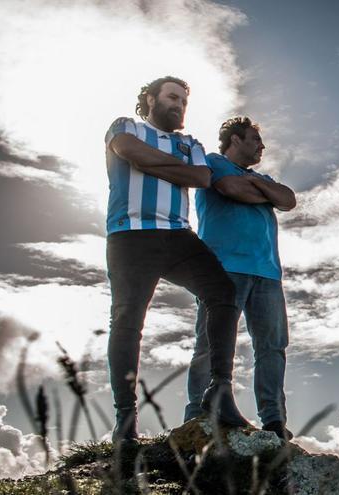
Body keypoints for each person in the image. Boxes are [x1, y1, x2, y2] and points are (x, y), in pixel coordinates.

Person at [105, 76, 249, 442]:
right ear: (150, 99)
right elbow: (128, 150)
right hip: (131, 233)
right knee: (127, 320)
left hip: (178, 235)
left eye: (184, 100)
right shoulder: (126, 126)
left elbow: (200, 177)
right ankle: (125, 419)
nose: (179, 105)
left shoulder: (190, 143)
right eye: (172, 97)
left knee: (222, 293)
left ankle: (220, 391)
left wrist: (150, 165)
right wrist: (169, 167)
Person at [184, 116, 296, 439]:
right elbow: (230, 188)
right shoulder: (213, 163)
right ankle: (198, 413)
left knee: (273, 346)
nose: (262, 146)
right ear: (235, 140)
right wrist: (264, 193)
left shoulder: (262, 177)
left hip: (267, 273)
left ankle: (274, 421)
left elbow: (288, 199)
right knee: (210, 343)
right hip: (222, 268)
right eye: (254, 140)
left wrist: (258, 186)